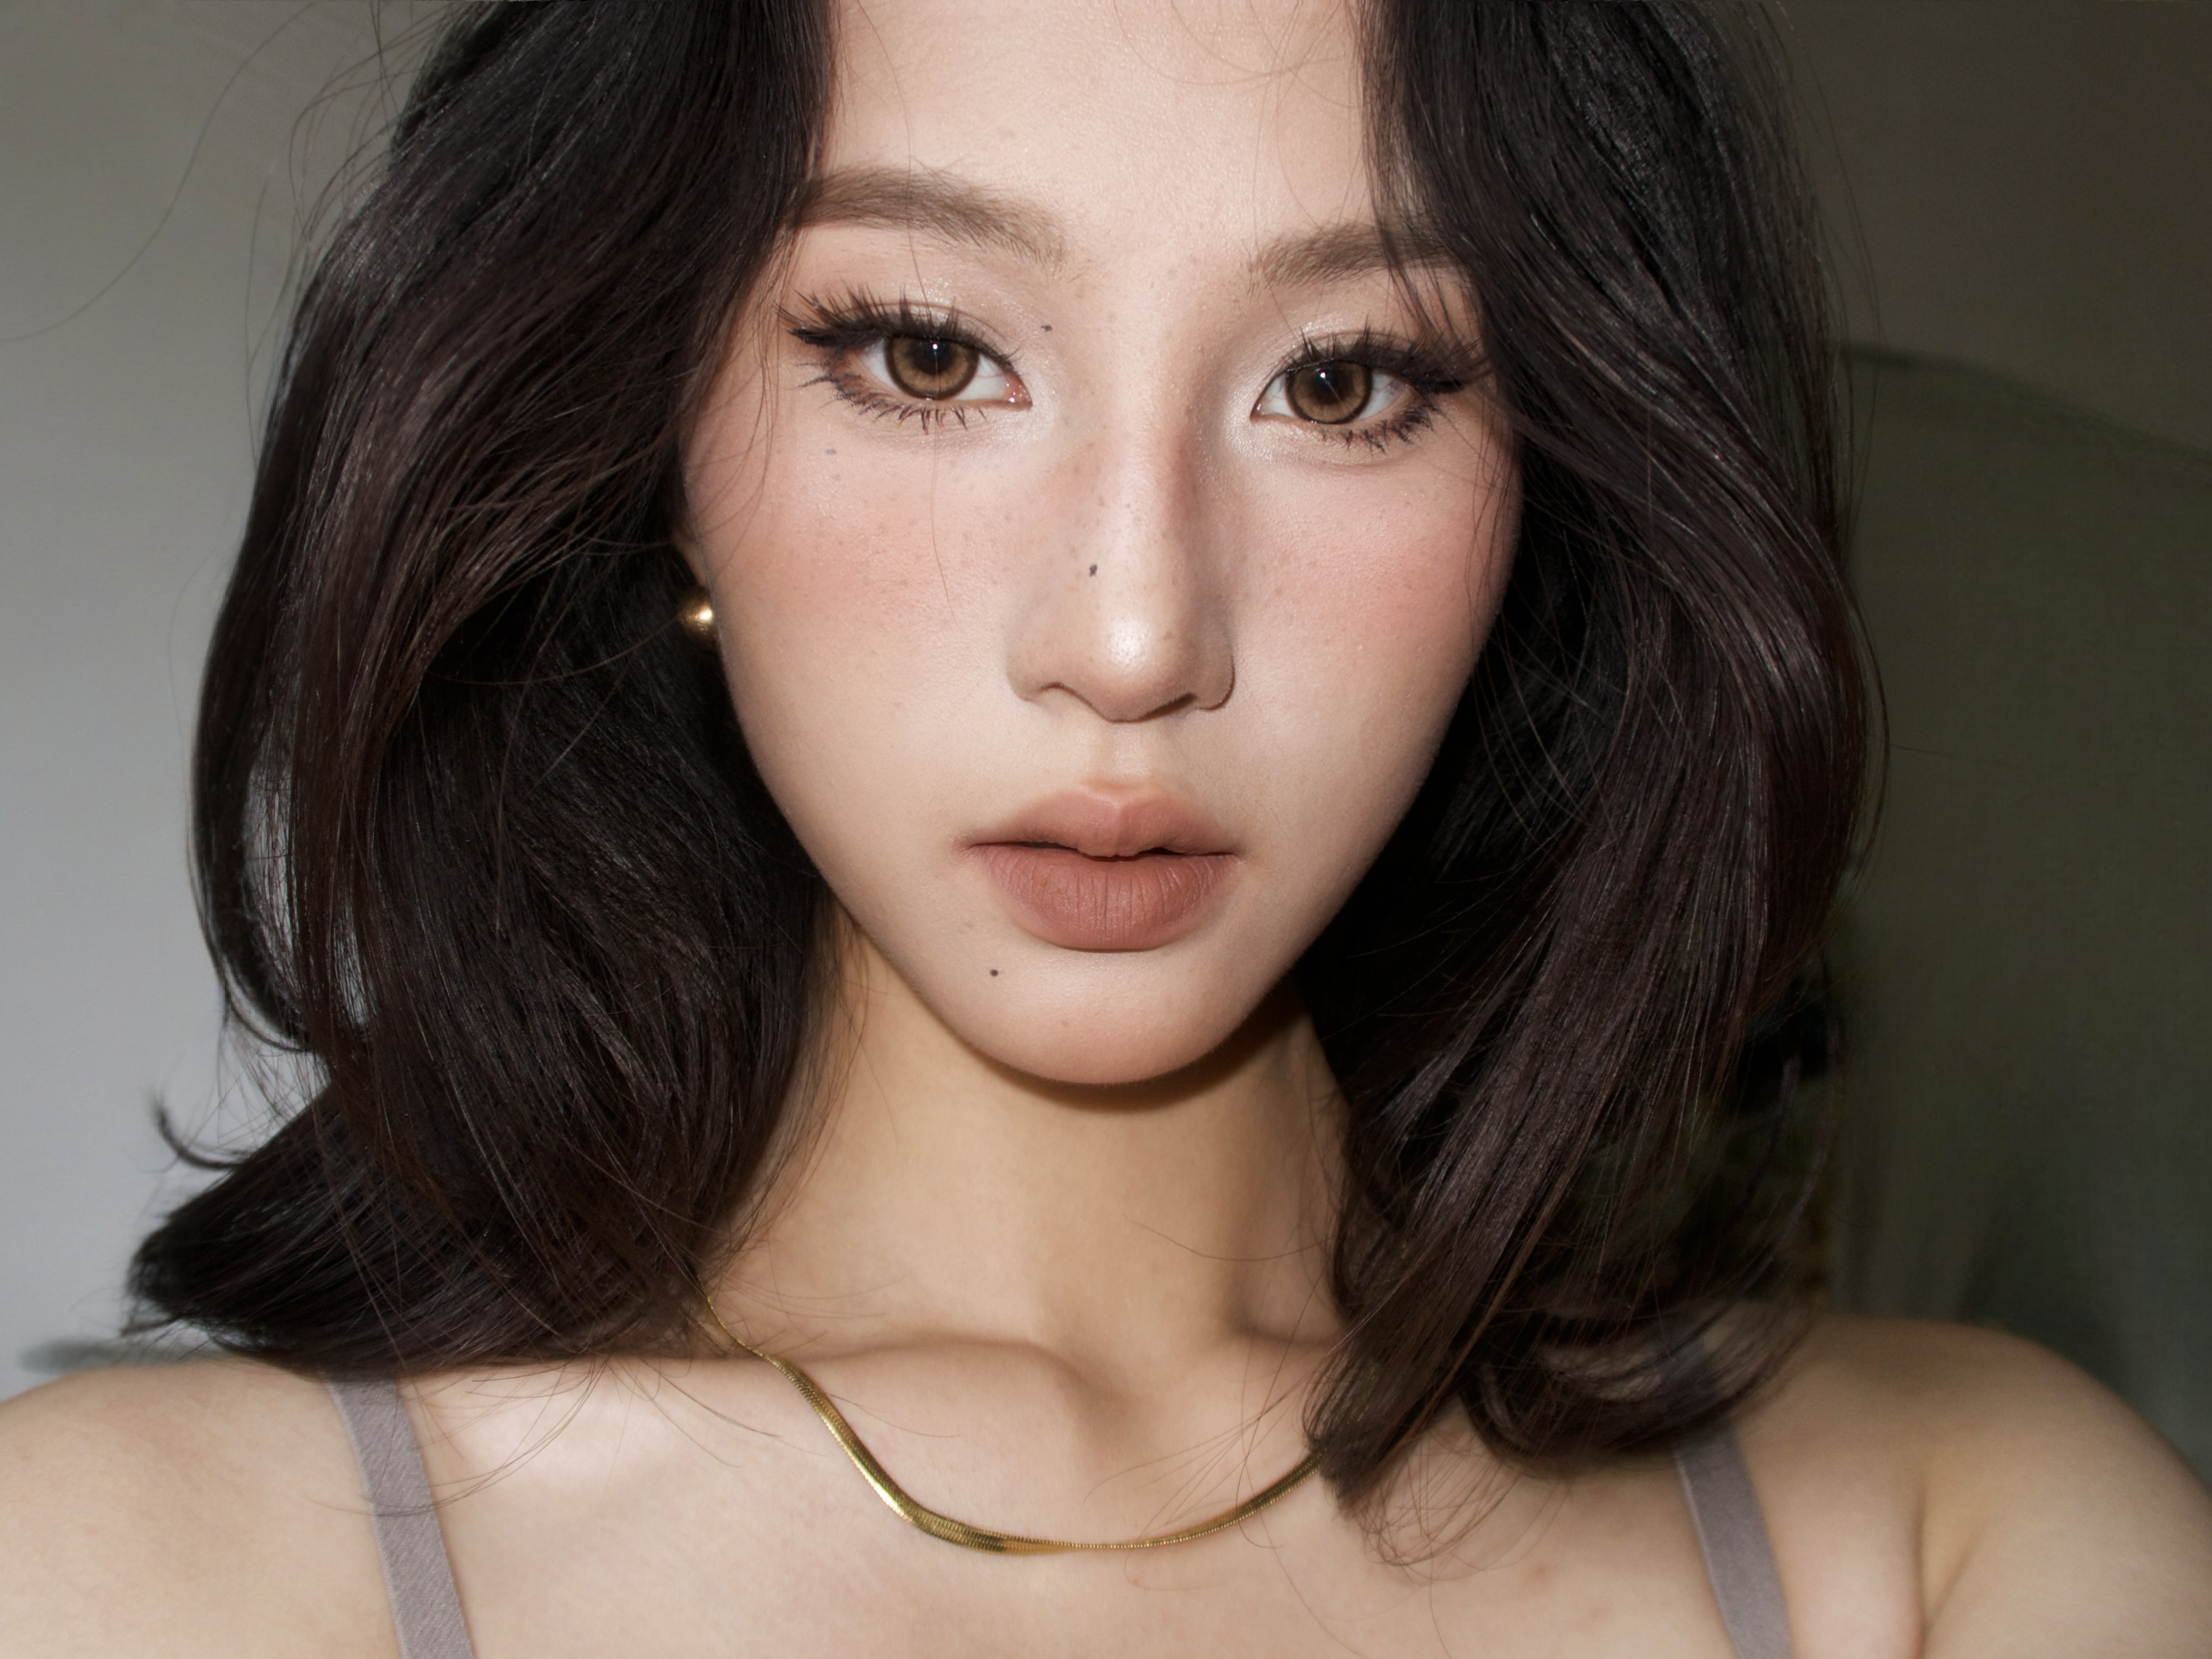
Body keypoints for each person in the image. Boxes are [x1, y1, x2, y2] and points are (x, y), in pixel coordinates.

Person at [2, 1, 2208, 1652]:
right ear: (647, 421)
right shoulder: (147, 1574)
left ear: (1550, 473)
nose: (1137, 635)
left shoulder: (1955, 1545)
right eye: (928, 354)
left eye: (1343, 379)